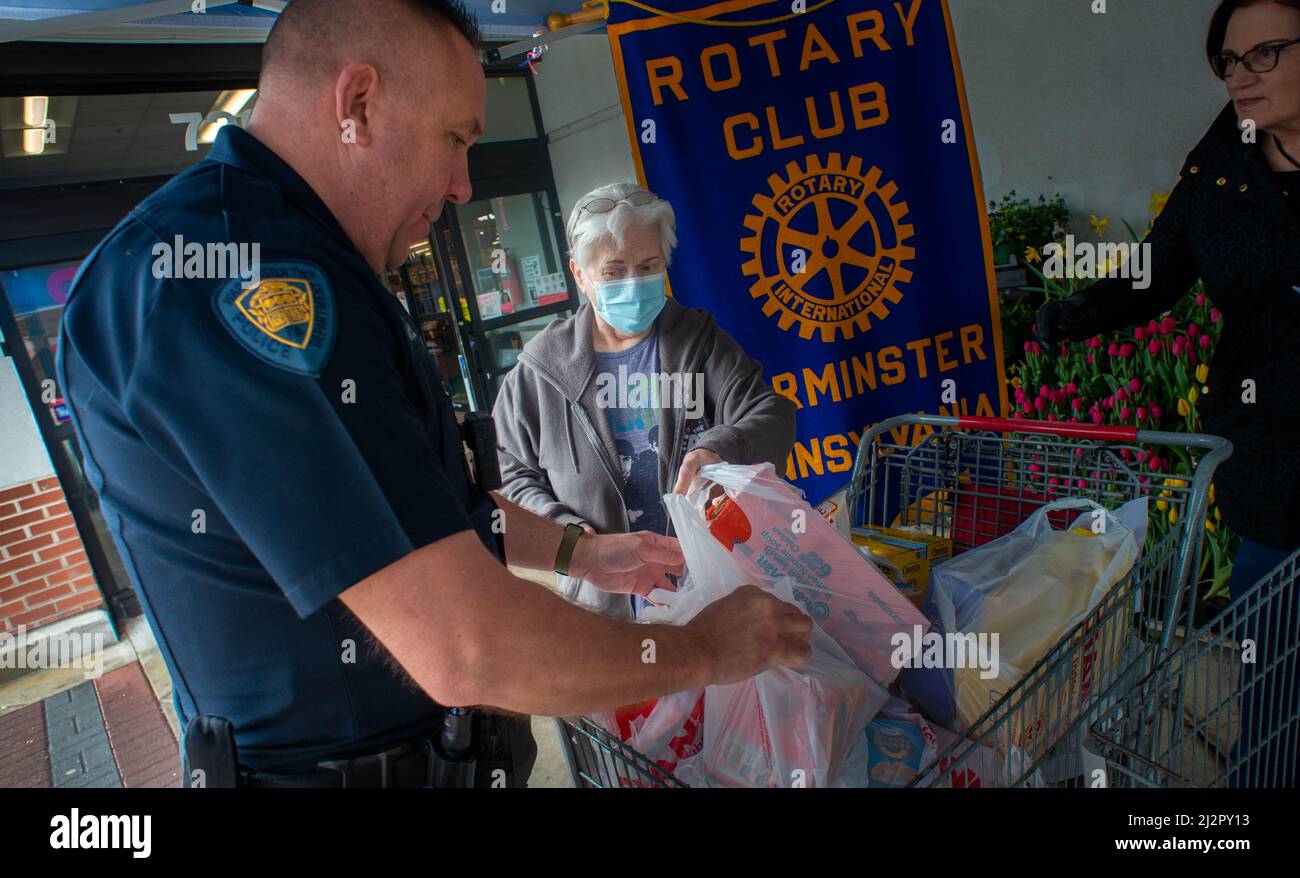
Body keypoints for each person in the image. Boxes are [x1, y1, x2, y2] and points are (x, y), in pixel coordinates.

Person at [55, 0, 811, 788]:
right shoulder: (242, 279)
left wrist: (580, 552)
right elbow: (466, 647)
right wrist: (707, 649)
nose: (462, 185)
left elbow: (416, 509)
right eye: (456, 139)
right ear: (357, 105)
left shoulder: (314, 261)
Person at [1034, 0, 1300, 787]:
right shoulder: (1221, 167)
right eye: (1228, 60)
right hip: (1273, 465)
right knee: (1273, 694)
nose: (1239, 77)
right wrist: (1075, 312)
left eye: (1265, 55)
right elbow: (1158, 271)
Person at [492, 182, 798, 620]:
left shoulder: (696, 340)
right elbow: (513, 476)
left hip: (710, 587)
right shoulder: (539, 371)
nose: (633, 284)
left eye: (648, 266)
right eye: (613, 272)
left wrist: (721, 446)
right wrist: (574, 541)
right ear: (580, 275)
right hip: (603, 606)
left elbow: (772, 414)